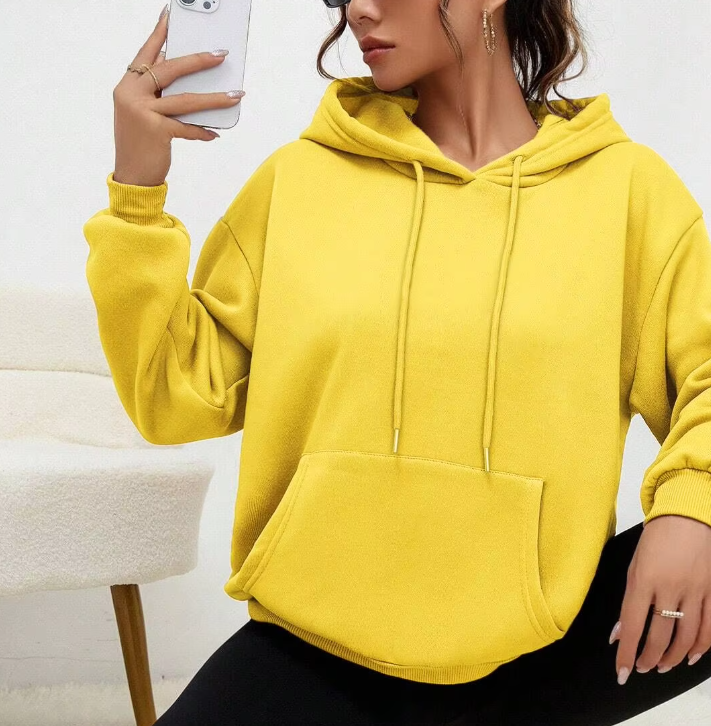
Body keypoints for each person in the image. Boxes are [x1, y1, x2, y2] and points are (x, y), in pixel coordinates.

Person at [82, 0, 711, 723]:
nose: (358, 9)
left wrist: (690, 509)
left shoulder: (627, 193)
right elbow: (175, 398)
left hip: (539, 647)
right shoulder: (299, 180)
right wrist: (137, 193)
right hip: (317, 644)